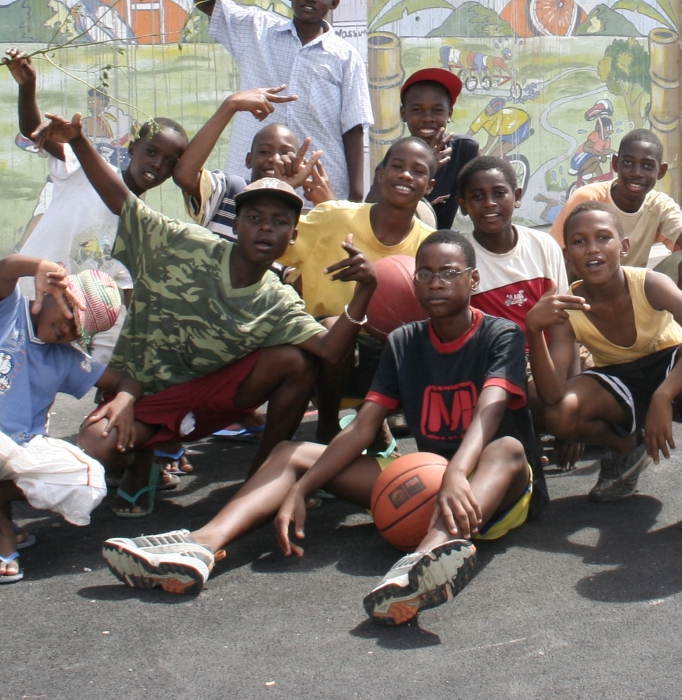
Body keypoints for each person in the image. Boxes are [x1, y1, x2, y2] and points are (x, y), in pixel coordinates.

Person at [101, 232, 545, 623]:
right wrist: (304, 486)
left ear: (473, 279)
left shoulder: (501, 335)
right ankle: (199, 547)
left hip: (492, 488)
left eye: (448, 272)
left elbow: (489, 411)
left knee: (506, 446)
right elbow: (362, 428)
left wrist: (456, 474)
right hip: (427, 480)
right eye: (424, 274)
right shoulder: (405, 342)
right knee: (289, 454)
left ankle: (422, 564)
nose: (436, 282)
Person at [45, 116, 379, 515]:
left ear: (293, 236)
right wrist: (79, 140)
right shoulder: (183, 242)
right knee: (96, 445)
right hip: (144, 393)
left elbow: (330, 351)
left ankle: (263, 477)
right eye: (254, 218)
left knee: (296, 361)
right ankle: (141, 462)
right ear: (236, 225)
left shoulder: (277, 299)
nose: (265, 229)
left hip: (209, 403)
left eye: (279, 222)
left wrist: (365, 290)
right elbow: (121, 200)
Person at [0, 255, 136, 584]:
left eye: (78, 331)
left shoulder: (67, 357)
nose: (68, 330)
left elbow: (125, 382)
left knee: (89, 480)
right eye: (70, 314)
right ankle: (0, 533)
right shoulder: (6, 312)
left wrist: (124, 399)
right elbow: (4, 269)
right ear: (53, 293)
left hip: (20, 447)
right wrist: (37, 267)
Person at [526, 201, 682, 532]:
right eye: (579, 241)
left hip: (671, 367)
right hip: (619, 379)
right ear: (568, 256)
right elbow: (551, 394)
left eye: (603, 237)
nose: (592, 248)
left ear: (624, 246)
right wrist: (534, 329)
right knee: (559, 414)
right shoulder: (569, 307)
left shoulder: (648, 284)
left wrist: (664, 396)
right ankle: (626, 444)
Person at [3, 50, 197, 361]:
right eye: (151, 152)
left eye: (169, 162)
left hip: (60, 326)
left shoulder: (143, 228)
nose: (157, 164)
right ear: (131, 148)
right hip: (21, 299)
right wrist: (27, 86)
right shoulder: (85, 169)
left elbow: (130, 298)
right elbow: (33, 130)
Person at [282, 137, 438, 438]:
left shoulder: (430, 244)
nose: (406, 175)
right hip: (322, 352)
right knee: (333, 327)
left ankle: (377, 421)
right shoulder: (333, 216)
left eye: (418, 171)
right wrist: (284, 189)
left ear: (429, 186)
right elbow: (276, 245)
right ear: (380, 174)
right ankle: (328, 425)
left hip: (389, 351)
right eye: (397, 166)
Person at [194, 0, 373, 201]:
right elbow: (205, 3)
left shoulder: (345, 56)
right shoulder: (257, 30)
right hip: (253, 179)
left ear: (334, 3)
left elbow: (353, 127)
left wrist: (355, 194)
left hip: (317, 187)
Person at [549, 129, 682, 295]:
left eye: (647, 166)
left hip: (631, 292)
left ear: (661, 171)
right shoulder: (589, 198)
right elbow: (553, 255)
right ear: (615, 164)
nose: (637, 173)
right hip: (586, 291)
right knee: (562, 264)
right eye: (628, 163)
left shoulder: (659, 205)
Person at [173, 89, 339, 241]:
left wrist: (331, 207)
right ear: (249, 160)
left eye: (285, 154)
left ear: (299, 165)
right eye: (264, 151)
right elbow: (184, 175)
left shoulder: (295, 221)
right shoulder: (228, 191)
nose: (274, 159)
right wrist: (231, 105)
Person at [458, 155, 568, 329]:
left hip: (549, 346)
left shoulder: (544, 245)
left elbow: (564, 319)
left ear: (517, 196)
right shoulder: (460, 258)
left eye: (499, 194)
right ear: (463, 205)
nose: (489, 203)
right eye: (477, 196)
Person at [367, 68, 478, 230]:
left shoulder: (464, 150)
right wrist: (428, 167)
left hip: (441, 243)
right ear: (404, 113)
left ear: (449, 114)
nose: (427, 118)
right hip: (401, 240)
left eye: (437, 110)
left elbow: (487, 187)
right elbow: (369, 213)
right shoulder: (394, 162)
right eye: (417, 110)